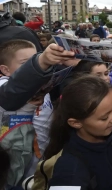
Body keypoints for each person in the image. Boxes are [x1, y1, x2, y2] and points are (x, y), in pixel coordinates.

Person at [0, 39, 75, 187]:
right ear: (5, 70)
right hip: (13, 168)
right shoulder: (3, 85)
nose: (32, 68)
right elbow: (13, 91)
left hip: (39, 163)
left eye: (34, 60)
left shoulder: (44, 88)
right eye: (25, 64)